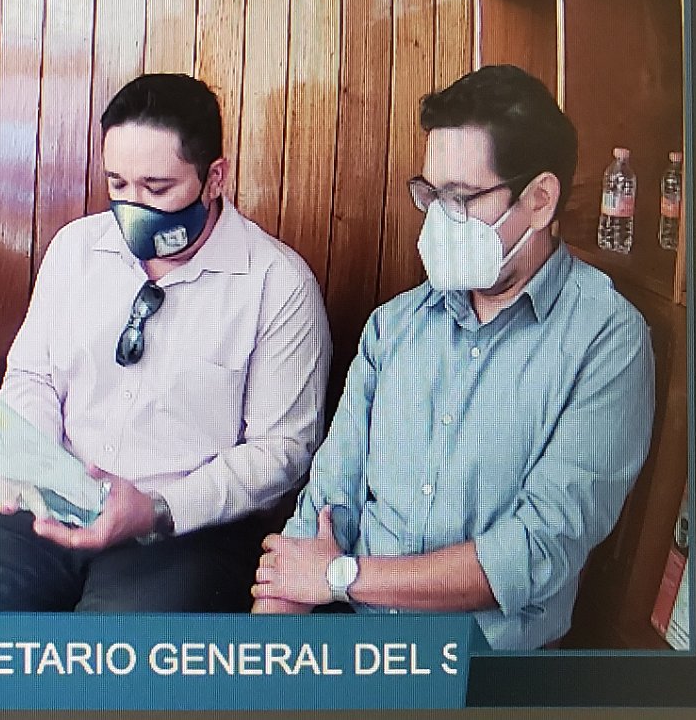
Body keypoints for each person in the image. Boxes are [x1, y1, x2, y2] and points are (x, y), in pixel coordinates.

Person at [0, 73, 331, 613]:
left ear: (215, 177)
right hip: (51, 505)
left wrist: (157, 508)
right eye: (118, 184)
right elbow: (33, 374)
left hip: (184, 532)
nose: (133, 206)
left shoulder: (277, 283)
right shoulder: (76, 249)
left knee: (103, 661)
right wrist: (29, 459)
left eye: (157, 188)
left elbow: (282, 452)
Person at [249, 64, 655, 650]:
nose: (440, 218)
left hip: (482, 664)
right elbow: (320, 514)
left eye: (462, 198)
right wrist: (264, 654)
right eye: (432, 195)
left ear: (540, 200)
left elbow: (534, 552)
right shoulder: (395, 326)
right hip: (353, 641)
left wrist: (342, 577)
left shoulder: (607, 340)